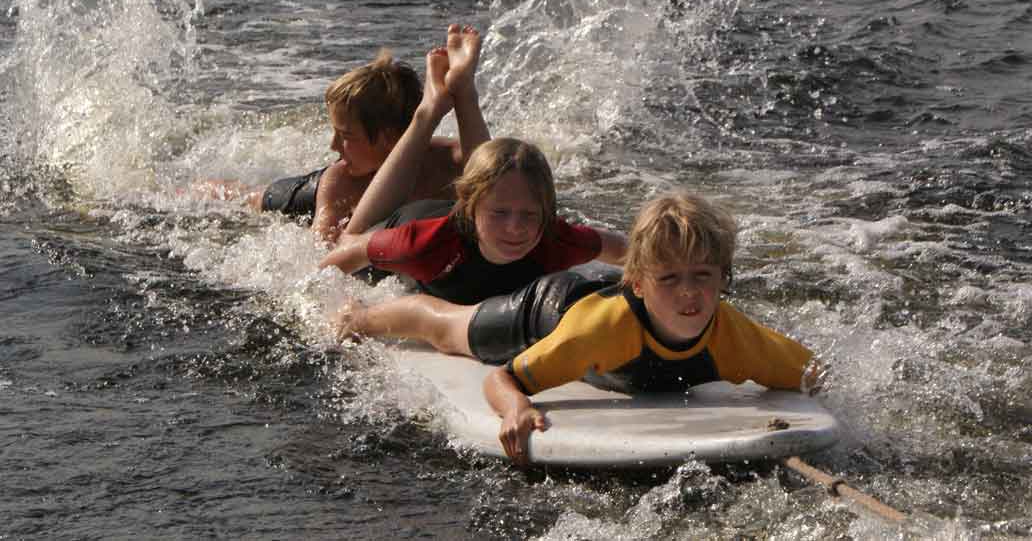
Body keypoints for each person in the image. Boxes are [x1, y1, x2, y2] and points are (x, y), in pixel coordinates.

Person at [335, 192, 822, 464]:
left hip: (612, 293)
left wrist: (815, 389)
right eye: (670, 279)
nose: (689, 294)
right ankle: (361, 315)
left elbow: (807, 373)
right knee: (448, 330)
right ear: (640, 281)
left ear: (723, 278)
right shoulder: (601, 331)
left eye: (704, 278)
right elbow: (502, 379)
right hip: (551, 307)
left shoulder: (737, 336)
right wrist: (515, 410)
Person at [194, 24, 486, 244]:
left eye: (345, 135)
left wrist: (463, 98)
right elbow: (323, 257)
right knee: (249, 197)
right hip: (307, 194)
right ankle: (192, 188)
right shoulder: (340, 181)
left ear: (386, 137)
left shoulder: (448, 160)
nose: (334, 146)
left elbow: (488, 174)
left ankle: (463, 88)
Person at [320, 136, 628, 305]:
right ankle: (429, 110)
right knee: (349, 233)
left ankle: (461, 91)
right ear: (470, 205)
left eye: (529, 214)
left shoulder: (553, 239)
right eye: (500, 213)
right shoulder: (423, 247)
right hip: (399, 223)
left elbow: (621, 248)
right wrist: (340, 305)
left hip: (457, 209)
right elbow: (347, 254)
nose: (515, 227)